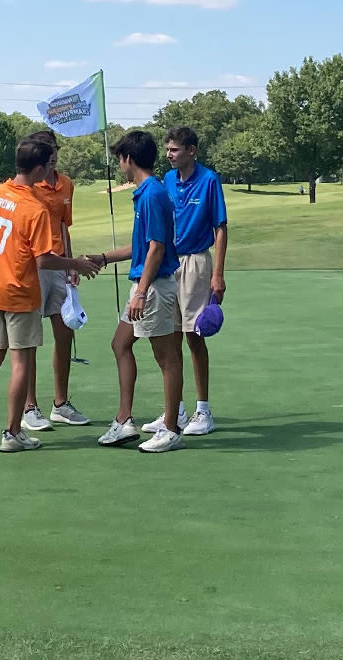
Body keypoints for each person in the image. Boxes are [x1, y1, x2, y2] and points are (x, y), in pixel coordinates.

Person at [0, 137, 100, 453]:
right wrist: (76, 263)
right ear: (39, 166)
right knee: (22, 360)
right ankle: (13, 433)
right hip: (19, 291)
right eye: (49, 163)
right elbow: (44, 259)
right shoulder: (34, 207)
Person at [92, 130, 186, 453]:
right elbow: (141, 247)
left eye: (120, 159)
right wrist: (103, 258)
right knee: (120, 343)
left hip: (154, 287)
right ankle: (124, 421)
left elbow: (157, 250)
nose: (119, 165)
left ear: (128, 159)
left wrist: (140, 293)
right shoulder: (147, 193)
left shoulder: (151, 195)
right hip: (146, 283)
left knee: (166, 357)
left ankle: (171, 428)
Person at [151, 126, 228, 436]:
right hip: (170, 263)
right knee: (170, 338)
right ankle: (176, 410)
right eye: (168, 149)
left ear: (191, 151)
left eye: (175, 149)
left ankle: (203, 410)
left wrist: (218, 274)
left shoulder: (209, 180)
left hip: (197, 262)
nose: (169, 154)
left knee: (194, 336)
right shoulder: (168, 180)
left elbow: (220, 227)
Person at [20, 131, 92, 431]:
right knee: (30, 339)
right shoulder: (27, 184)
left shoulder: (66, 184)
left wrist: (72, 265)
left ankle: (60, 404)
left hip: (60, 264)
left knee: (65, 333)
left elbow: (63, 226)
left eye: (55, 148)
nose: (53, 154)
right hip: (33, 267)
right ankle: (29, 407)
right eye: (47, 149)